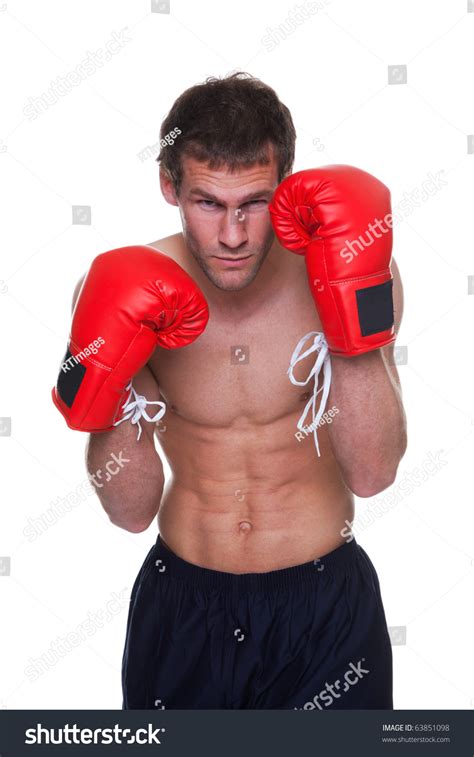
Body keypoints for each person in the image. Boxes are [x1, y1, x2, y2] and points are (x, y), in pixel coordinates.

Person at [52, 72, 406, 710]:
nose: (234, 234)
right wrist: (105, 387)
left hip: (326, 607)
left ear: (290, 186)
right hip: (183, 605)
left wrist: (348, 318)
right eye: (208, 203)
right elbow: (130, 512)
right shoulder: (120, 287)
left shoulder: (348, 258)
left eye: (255, 202)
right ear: (170, 188)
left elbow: (374, 471)